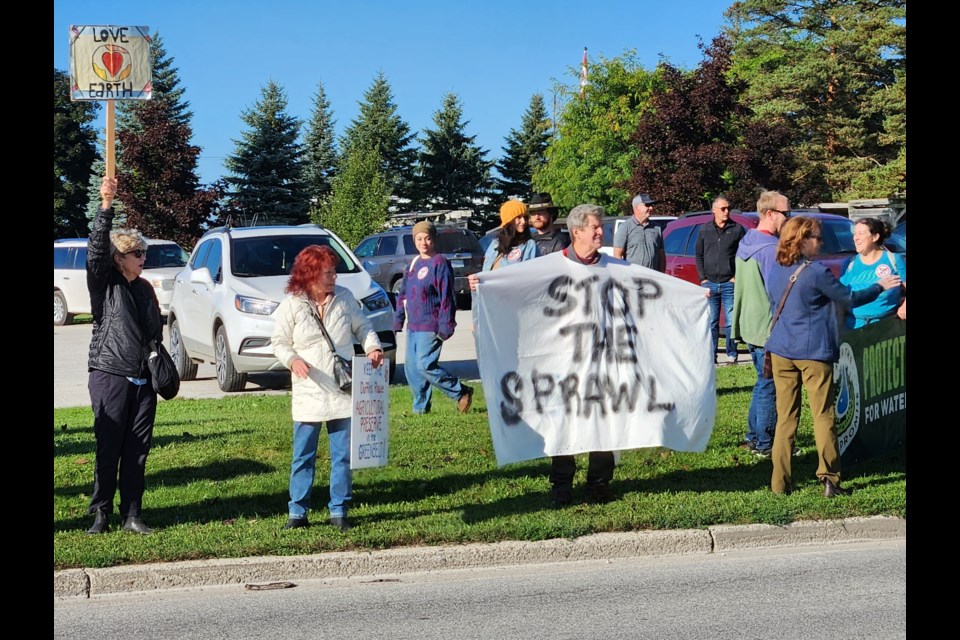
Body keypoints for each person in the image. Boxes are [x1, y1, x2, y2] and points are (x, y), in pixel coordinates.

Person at [764, 217, 900, 497]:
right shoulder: (816, 272)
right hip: (813, 353)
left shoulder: (775, 267)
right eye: (818, 238)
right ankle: (830, 479)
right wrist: (881, 286)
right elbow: (848, 297)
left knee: (786, 418)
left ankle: (780, 484)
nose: (822, 243)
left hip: (780, 350)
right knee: (824, 416)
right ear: (803, 240)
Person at [272, 245, 384, 532]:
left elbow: (364, 328)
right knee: (303, 456)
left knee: (342, 455)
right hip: (308, 390)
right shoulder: (293, 303)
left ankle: (339, 510)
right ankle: (297, 513)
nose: (334, 276)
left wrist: (373, 347)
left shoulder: (345, 298)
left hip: (341, 389)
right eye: (328, 272)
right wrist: (293, 359)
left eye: (334, 270)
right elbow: (279, 342)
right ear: (310, 274)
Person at [85, 175, 164, 536]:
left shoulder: (146, 288)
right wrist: (105, 205)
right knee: (108, 446)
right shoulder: (105, 283)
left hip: (142, 378)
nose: (143, 258)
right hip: (109, 373)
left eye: (144, 253)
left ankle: (132, 514)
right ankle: (100, 513)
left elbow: (153, 332)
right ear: (120, 259)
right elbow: (96, 252)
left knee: (137, 451)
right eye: (137, 254)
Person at [729, 191, 791, 458]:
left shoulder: (747, 241)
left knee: (761, 382)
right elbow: (777, 292)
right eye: (786, 214)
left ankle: (753, 437)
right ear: (770, 214)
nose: (789, 219)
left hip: (749, 324)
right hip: (767, 327)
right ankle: (765, 443)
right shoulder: (769, 249)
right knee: (770, 384)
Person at [394, 220, 474, 415]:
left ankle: (460, 391)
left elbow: (447, 296)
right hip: (413, 326)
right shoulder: (413, 264)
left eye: (428, 238)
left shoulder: (439, 263)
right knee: (412, 370)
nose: (424, 242)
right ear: (414, 241)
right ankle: (420, 409)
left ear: (433, 240)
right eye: (419, 239)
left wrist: (446, 325)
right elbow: (403, 294)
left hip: (431, 325)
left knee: (424, 365)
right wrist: (398, 321)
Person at [695, 196, 746, 364]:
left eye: (728, 208)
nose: (726, 211)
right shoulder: (704, 230)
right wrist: (702, 278)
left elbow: (743, 255)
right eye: (723, 208)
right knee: (712, 321)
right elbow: (699, 255)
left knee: (731, 321)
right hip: (709, 282)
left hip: (729, 282)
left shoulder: (737, 229)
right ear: (714, 210)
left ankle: (732, 353)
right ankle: (712, 354)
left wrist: (736, 276)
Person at [839, 217, 907, 329]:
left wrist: (904, 307)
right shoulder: (849, 264)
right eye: (855, 234)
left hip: (885, 327)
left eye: (861, 233)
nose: (855, 238)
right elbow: (840, 298)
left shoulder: (893, 260)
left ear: (875, 237)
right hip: (854, 327)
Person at [613, 193, 666, 272]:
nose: (651, 208)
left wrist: (662, 276)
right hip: (633, 279)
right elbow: (617, 255)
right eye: (647, 205)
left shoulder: (656, 228)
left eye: (651, 205)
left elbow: (661, 255)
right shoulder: (625, 227)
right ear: (637, 207)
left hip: (653, 279)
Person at [482, 200, 538, 271]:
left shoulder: (529, 245)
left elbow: (530, 275)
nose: (523, 221)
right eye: (518, 217)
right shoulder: (495, 244)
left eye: (525, 217)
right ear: (508, 220)